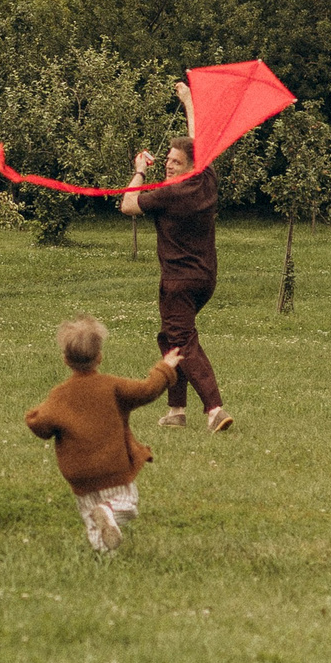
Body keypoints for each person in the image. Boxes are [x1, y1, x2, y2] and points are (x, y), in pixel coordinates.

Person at [120, 80, 232, 431]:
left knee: (182, 341)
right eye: (167, 160)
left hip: (179, 282)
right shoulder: (206, 179)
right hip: (205, 279)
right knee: (170, 338)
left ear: (188, 167)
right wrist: (187, 101)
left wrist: (140, 169)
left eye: (175, 162)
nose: (168, 166)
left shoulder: (170, 195)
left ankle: (215, 410)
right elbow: (200, 144)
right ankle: (175, 412)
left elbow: (127, 204)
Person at [25, 316, 184, 552]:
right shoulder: (112, 386)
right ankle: (110, 512)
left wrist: (34, 414)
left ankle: (104, 556)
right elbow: (148, 390)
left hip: (79, 475)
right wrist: (165, 367)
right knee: (126, 505)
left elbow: (40, 424)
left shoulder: (59, 396)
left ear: (65, 360)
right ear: (100, 356)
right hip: (113, 467)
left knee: (91, 517)